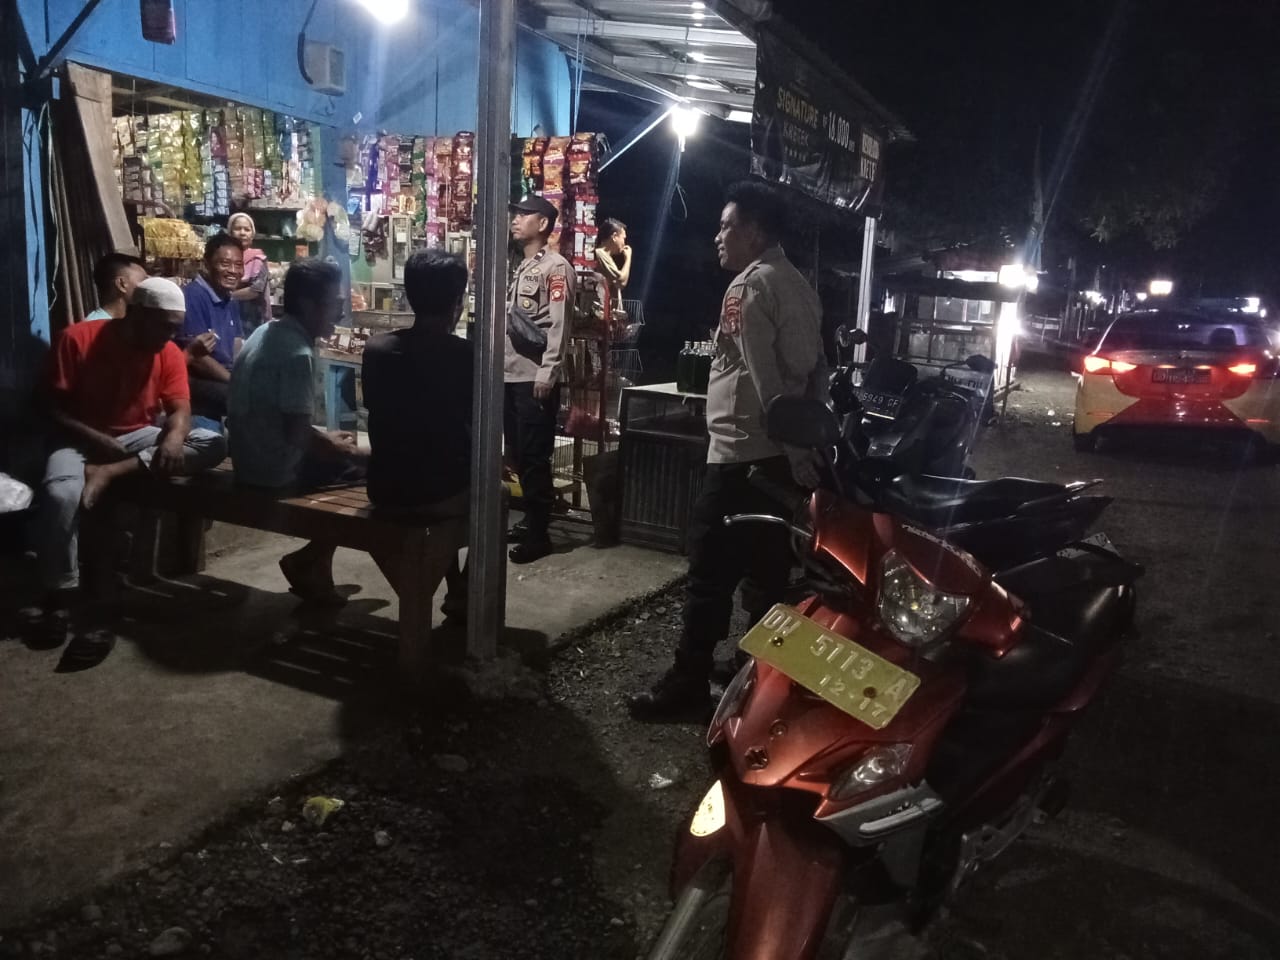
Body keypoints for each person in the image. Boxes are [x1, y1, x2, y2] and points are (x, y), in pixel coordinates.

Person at [629, 180, 827, 721]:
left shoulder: (748, 287)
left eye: (727, 226)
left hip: (742, 455)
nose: (718, 236)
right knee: (767, 573)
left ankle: (687, 684)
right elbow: (817, 372)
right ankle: (759, 680)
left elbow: (766, 384)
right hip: (780, 460)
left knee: (709, 573)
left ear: (755, 231)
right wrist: (802, 449)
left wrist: (791, 445)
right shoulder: (799, 285)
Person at [33, 277, 228, 657]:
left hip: (135, 438)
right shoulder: (77, 339)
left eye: (175, 327)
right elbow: (48, 408)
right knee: (60, 495)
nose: (172, 335)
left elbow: (180, 408)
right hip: (77, 439)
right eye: (165, 326)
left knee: (213, 442)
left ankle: (110, 472)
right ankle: (62, 594)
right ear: (137, 313)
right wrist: (95, 438)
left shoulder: (167, 351)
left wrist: (174, 437)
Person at [227, 258, 366, 604]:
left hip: (247, 460)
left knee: (343, 454)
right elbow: (297, 436)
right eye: (333, 302)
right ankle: (310, 560)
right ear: (308, 304)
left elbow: (285, 421)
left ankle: (315, 565)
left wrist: (327, 440)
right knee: (369, 475)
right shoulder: (297, 353)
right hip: (275, 471)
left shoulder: (265, 332)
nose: (339, 310)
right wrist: (348, 450)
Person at [361, 249, 471, 619]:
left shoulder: (377, 349)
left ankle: (457, 588)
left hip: (384, 488)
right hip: (437, 493)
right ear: (457, 302)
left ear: (409, 295)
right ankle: (467, 590)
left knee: (442, 468)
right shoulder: (466, 355)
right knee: (495, 496)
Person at [504, 195, 575, 564]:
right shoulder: (522, 266)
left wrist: (549, 371)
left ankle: (539, 535)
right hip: (510, 374)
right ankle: (530, 521)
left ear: (543, 223)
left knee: (534, 458)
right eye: (515, 215)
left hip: (534, 378)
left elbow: (560, 326)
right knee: (518, 454)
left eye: (523, 215)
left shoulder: (556, 268)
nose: (515, 220)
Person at [181, 232, 244, 425]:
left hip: (224, 376)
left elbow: (237, 344)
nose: (233, 271)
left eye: (238, 265)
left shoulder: (229, 299)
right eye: (225, 264)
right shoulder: (193, 296)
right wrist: (235, 381)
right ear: (206, 265)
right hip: (197, 380)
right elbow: (198, 359)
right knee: (247, 399)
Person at [227, 212, 273, 335]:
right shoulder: (224, 258)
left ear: (252, 235)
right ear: (230, 233)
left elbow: (256, 290)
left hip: (252, 321)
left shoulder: (258, 259)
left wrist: (228, 296)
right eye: (237, 229)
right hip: (227, 316)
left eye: (247, 229)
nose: (242, 233)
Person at [593, 218, 631, 326]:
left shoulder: (607, 257)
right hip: (601, 315)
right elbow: (621, 282)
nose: (624, 243)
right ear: (614, 237)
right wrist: (628, 257)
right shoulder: (600, 254)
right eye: (623, 238)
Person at [86, 253, 147, 321]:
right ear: (121, 284)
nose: (149, 286)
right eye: (144, 281)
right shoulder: (95, 326)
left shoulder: (137, 320)